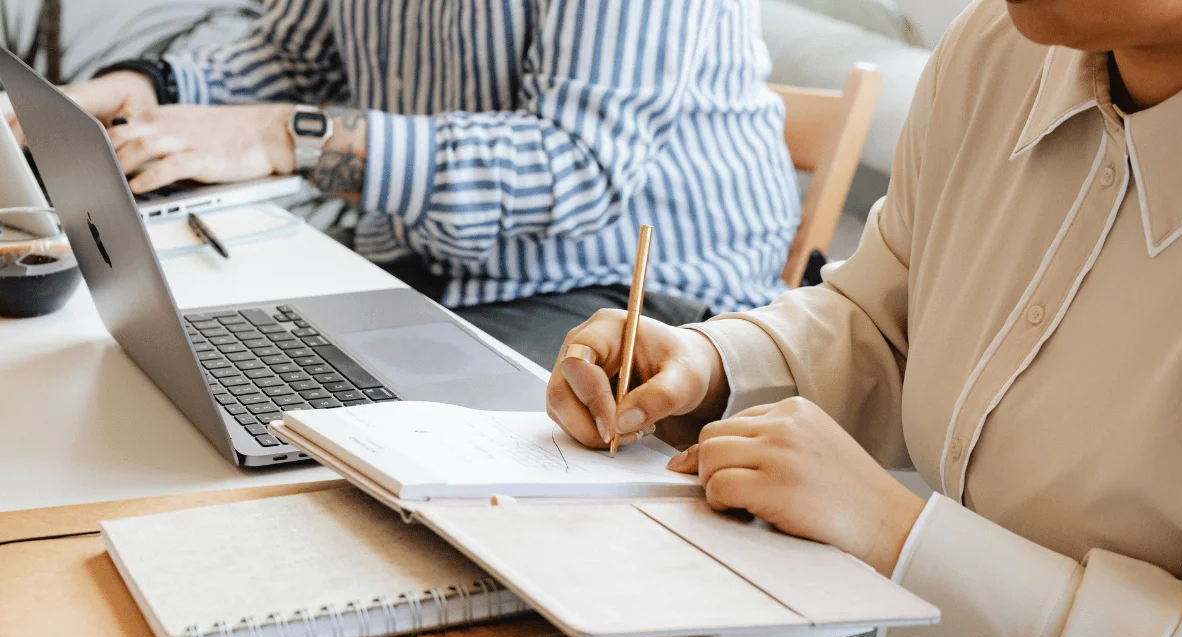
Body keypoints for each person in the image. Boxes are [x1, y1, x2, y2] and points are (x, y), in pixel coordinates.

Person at [548, 0, 1182, 637]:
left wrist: (898, 536)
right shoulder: (997, 49)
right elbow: (887, 317)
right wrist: (715, 366)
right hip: (986, 608)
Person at [11, 0, 798, 370]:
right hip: (434, 272)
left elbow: (576, 166)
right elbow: (294, 55)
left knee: (307, 433)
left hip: (636, 297)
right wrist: (145, 90)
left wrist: (285, 136)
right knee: (179, 369)